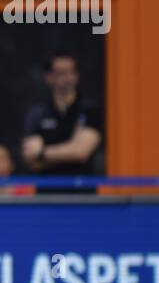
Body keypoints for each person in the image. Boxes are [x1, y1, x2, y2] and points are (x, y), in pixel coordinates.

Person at [21, 53, 103, 193]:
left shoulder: (89, 110)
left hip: (83, 195)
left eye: (70, 72)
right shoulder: (38, 113)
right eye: (60, 73)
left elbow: (81, 152)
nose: (66, 78)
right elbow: (32, 159)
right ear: (49, 77)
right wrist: (69, 148)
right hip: (47, 195)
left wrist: (42, 152)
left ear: (76, 76)